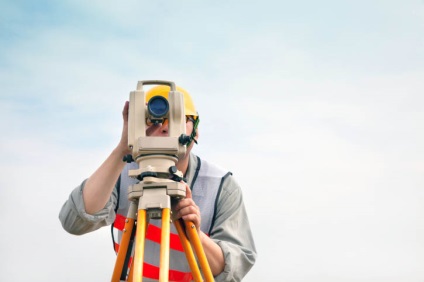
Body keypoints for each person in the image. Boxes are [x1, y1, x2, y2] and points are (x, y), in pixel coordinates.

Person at [59, 84, 257, 281]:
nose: (165, 126)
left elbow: (234, 270)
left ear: (195, 131)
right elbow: (75, 222)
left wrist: (196, 234)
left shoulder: (220, 186)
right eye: (155, 118)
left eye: (178, 118)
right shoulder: (121, 173)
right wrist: (123, 150)